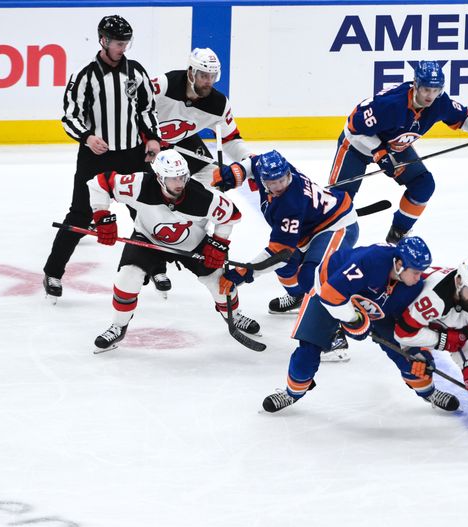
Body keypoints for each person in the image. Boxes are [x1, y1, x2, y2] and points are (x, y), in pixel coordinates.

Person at [261, 236, 462, 414]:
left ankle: (429, 392)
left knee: (408, 355)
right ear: (399, 264)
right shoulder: (371, 261)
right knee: (308, 349)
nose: (420, 278)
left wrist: (421, 355)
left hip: (372, 302)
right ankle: (292, 393)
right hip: (327, 291)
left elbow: (409, 328)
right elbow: (331, 296)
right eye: (416, 272)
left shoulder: (412, 287)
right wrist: (354, 321)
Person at [85, 149, 259, 353]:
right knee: (127, 277)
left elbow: (231, 216)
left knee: (219, 283)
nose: (179, 183)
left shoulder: (202, 196)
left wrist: (218, 243)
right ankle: (118, 326)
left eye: (182, 177)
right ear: (159, 177)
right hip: (148, 238)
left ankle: (234, 316)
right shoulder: (140, 185)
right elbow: (100, 183)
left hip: (192, 244)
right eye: (172, 178)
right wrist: (102, 216)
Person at [43, 15, 161, 303]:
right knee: (81, 214)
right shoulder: (85, 76)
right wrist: (87, 137)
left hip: (132, 154)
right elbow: (69, 116)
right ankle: (53, 271)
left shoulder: (136, 72)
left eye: (126, 42)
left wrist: (153, 137)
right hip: (95, 158)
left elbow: (146, 109)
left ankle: (156, 267)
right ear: (104, 41)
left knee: (145, 211)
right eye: (119, 42)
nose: (124, 48)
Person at [327, 61, 468, 244]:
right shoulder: (391, 104)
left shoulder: (439, 102)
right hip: (357, 146)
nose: (430, 96)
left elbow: (464, 115)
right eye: (426, 89)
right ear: (415, 85)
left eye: (435, 90)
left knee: (423, 185)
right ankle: (319, 246)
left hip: (394, 147)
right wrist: (378, 152)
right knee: (338, 202)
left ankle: (398, 235)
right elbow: (355, 127)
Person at [215, 150, 359, 361]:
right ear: (264, 179)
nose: (279, 185)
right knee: (286, 267)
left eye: (282, 179)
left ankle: (335, 334)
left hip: (336, 226)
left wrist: (241, 274)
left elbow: (278, 253)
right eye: (272, 182)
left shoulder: (290, 203)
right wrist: (233, 174)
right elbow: (252, 162)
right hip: (307, 230)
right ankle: (298, 296)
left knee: (312, 276)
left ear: (288, 174)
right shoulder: (272, 165)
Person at [146, 47, 253, 295]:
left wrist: (248, 161)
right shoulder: (164, 83)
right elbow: (135, 108)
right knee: (149, 197)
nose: (208, 81)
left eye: (213, 76)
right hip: (148, 142)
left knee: (213, 179)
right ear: (191, 71)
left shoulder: (218, 103)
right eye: (204, 75)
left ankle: (195, 235)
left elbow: (231, 139)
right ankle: (156, 262)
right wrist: (147, 139)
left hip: (183, 143)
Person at [390, 258, 468, 419]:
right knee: (417, 364)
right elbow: (404, 333)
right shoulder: (433, 297)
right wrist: (442, 340)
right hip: (416, 324)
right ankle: (429, 393)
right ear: (459, 281)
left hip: (447, 321)